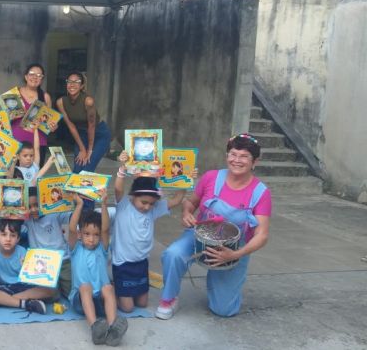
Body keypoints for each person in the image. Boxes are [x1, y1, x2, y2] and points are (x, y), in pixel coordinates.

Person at [157, 133, 271, 319]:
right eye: (233, 154)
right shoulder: (211, 177)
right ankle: (169, 298)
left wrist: (235, 254)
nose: (237, 160)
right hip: (199, 237)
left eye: (244, 156)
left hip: (233, 249)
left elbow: (262, 235)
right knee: (173, 254)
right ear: (227, 156)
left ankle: (219, 281)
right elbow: (191, 203)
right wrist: (186, 214)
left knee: (224, 310)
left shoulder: (261, 193)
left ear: (254, 162)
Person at [111, 152, 191, 312]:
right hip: (123, 264)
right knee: (127, 308)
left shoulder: (153, 210)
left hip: (141, 263)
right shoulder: (124, 205)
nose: (147, 207)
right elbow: (118, 188)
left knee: (142, 304)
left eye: (152, 204)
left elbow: (176, 200)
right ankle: (112, 290)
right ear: (133, 196)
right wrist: (122, 169)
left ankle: (122, 290)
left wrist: (185, 180)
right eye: (144, 202)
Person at [67, 194, 128, 346]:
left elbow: (106, 229)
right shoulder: (76, 249)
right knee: (85, 286)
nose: (91, 238)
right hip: (80, 300)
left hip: (100, 300)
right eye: (87, 234)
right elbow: (71, 229)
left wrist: (104, 204)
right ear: (80, 234)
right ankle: (95, 327)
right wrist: (79, 205)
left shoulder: (102, 248)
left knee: (108, 287)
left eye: (95, 235)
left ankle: (113, 328)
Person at [0, 219, 54, 314]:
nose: (8, 239)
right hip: (2, 287)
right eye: (4, 235)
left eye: (13, 235)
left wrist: (26, 269)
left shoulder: (23, 252)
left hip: (22, 288)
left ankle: (1, 301)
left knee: (52, 290)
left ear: (18, 239)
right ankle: (25, 304)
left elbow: (32, 280)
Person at [55, 71, 111, 174]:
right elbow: (71, 126)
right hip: (81, 135)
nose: (72, 84)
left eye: (76, 82)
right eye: (69, 81)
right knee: (77, 170)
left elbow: (92, 126)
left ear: (82, 86)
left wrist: (89, 150)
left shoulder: (88, 101)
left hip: (99, 134)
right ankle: (74, 190)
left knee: (87, 169)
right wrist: (82, 149)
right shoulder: (61, 102)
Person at [24, 187, 74, 298]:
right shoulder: (27, 219)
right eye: (29, 207)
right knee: (50, 297)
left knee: (71, 293)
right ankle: (56, 289)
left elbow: (72, 217)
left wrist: (72, 199)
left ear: (44, 201)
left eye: (36, 205)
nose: (33, 210)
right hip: (42, 264)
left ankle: (60, 287)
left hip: (63, 260)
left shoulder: (54, 213)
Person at [11, 64, 53, 167]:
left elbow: (49, 122)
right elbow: (5, 118)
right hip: (17, 142)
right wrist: (10, 116)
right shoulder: (15, 93)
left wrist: (52, 126)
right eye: (32, 74)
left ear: (42, 79)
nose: (35, 77)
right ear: (26, 77)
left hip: (38, 144)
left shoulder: (45, 97)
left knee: (34, 178)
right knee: (14, 178)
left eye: (39, 75)